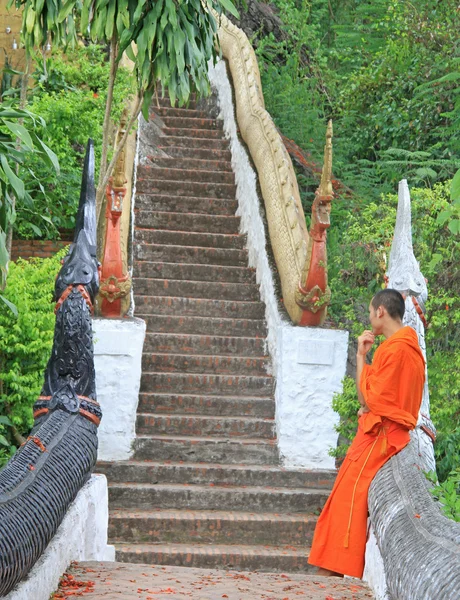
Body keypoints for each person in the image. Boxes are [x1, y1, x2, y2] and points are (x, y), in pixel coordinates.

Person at [307, 288, 425, 579]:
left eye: (371, 311)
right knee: (342, 497)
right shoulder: (398, 347)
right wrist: (361, 355)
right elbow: (367, 399)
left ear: (380, 312)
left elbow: (371, 400)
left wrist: (369, 407)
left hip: (384, 436)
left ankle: (333, 570)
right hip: (379, 431)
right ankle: (330, 568)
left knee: (349, 498)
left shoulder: (397, 349)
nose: (371, 316)